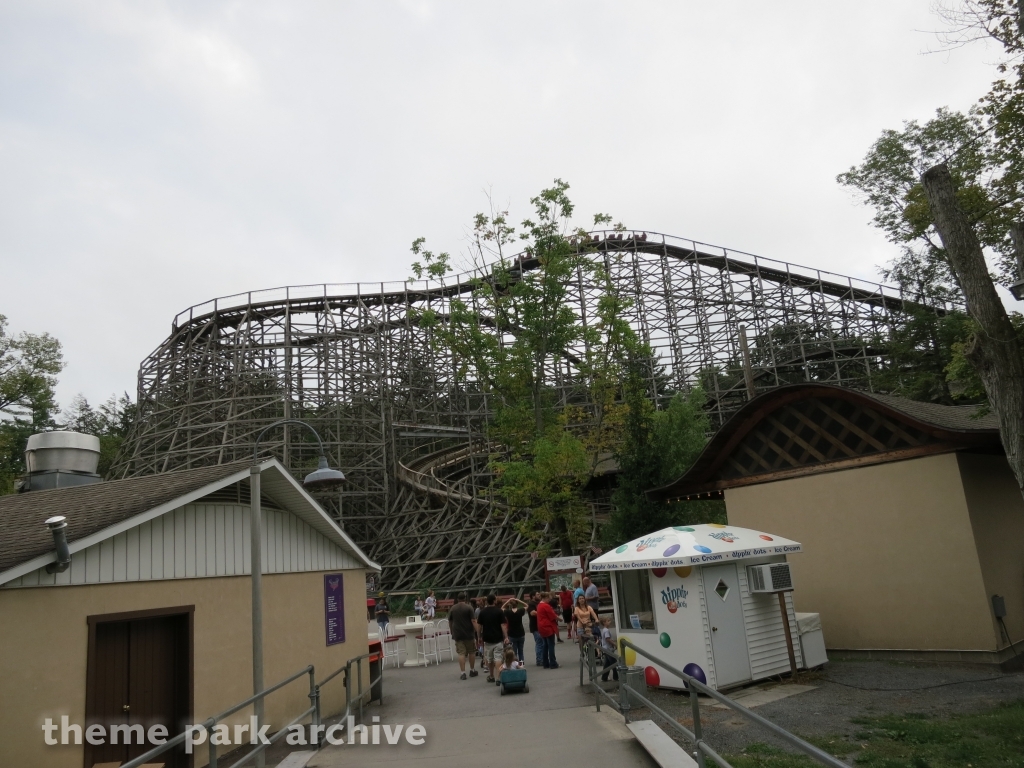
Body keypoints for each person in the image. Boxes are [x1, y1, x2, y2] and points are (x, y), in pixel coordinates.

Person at [476, 594, 509, 683]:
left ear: (487, 601)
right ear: (494, 601)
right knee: (498, 658)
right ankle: (498, 677)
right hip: (498, 638)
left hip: (487, 638)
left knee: (489, 658)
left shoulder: (482, 612)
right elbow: (503, 625)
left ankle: (491, 675)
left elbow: (479, 626)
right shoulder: (499, 612)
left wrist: (479, 637)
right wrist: (506, 637)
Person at [448, 592, 479, 680]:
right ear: (465, 599)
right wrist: (478, 632)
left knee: (461, 653)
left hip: (457, 633)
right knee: (471, 652)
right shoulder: (469, 607)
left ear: (457, 599)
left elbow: (450, 621)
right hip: (469, 633)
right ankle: (472, 670)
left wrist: (451, 631)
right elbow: (473, 620)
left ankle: (463, 672)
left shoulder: (453, 608)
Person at [536, 592, 559, 669]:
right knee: (551, 645)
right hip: (548, 627)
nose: (549, 599)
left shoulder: (539, 605)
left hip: (541, 627)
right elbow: (552, 615)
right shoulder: (546, 606)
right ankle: (553, 663)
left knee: (545, 645)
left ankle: (545, 663)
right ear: (545, 598)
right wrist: (559, 618)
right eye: (549, 598)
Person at [501, 596, 528, 663]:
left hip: (512, 633)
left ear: (510, 605)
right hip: (521, 632)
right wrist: (518, 600)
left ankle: (515, 663)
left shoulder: (508, 612)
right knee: (521, 650)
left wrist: (508, 600)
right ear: (517, 604)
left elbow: (502, 608)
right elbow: (527, 605)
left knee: (514, 651)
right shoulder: (520, 611)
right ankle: (522, 663)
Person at [599, 616, 618, 682]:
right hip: (608, 649)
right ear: (604, 623)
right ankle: (616, 677)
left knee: (607, 664)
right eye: (608, 621)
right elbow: (608, 639)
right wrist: (614, 644)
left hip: (605, 648)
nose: (610, 622)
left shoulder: (604, 630)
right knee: (614, 663)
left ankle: (604, 677)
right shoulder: (606, 630)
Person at [527, 591, 543, 666]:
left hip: (541, 625)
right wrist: (543, 613)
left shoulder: (539, 603)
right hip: (535, 626)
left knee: (542, 643)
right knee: (539, 642)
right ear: (533, 596)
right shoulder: (531, 604)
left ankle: (542, 658)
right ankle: (539, 660)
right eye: (537, 594)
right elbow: (532, 613)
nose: (539, 595)